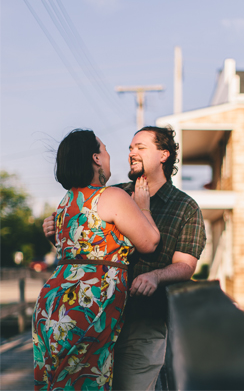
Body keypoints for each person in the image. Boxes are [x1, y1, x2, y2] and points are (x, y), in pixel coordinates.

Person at [43, 126, 207, 390]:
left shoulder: (185, 207)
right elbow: (84, 248)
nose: (131, 153)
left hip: (141, 322)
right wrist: (54, 234)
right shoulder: (112, 193)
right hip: (93, 315)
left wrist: (156, 276)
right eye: (130, 148)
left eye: (140, 147)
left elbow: (186, 265)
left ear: (164, 155)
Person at [33, 129, 160, 390]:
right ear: (96, 158)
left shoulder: (66, 201)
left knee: (59, 381)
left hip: (52, 304)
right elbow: (149, 242)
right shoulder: (111, 196)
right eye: (105, 149)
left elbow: (73, 253)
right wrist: (143, 205)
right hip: (90, 302)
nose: (110, 154)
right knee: (86, 380)